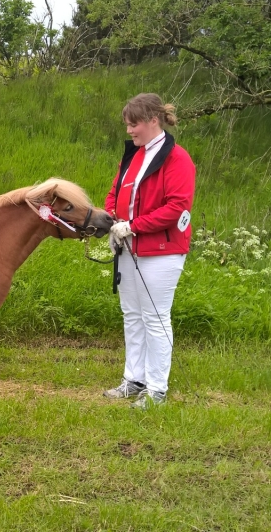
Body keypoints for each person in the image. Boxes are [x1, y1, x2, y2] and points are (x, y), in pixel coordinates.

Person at [102, 93, 196, 409]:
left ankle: (156, 390)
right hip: (129, 247)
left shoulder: (177, 158)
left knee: (155, 318)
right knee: (132, 315)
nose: (129, 130)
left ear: (152, 120)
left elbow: (176, 208)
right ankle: (134, 379)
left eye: (134, 124)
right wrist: (116, 221)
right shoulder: (134, 156)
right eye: (128, 124)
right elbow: (114, 195)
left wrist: (134, 225)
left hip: (163, 251)